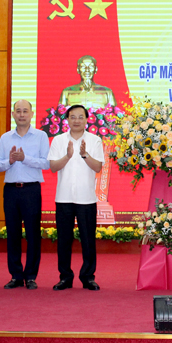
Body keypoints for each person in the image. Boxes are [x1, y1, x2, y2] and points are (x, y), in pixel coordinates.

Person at [0, 100, 50, 290]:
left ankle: (31, 275)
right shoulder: (5, 138)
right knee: (13, 234)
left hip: (31, 189)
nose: (22, 114)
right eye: (18, 111)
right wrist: (9, 161)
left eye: (25, 111)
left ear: (32, 114)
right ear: (13, 114)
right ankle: (16, 275)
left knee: (33, 233)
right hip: (10, 190)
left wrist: (25, 159)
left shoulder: (41, 136)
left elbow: (46, 163)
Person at [48, 104, 103, 291]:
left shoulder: (95, 140)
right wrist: (68, 156)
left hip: (86, 198)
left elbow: (97, 167)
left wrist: (84, 154)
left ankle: (88, 277)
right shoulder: (58, 140)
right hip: (64, 197)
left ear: (87, 120)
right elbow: (53, 167)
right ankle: (65, 277)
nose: (77, 120)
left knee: (88, 240)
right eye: (73, 117)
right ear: (67, 119)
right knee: (64, 239)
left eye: (80, 117)